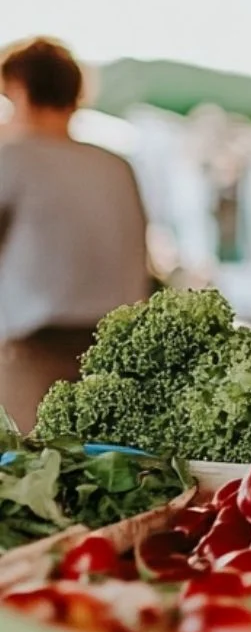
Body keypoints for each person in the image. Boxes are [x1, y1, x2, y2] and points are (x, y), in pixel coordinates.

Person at [0, 38, 148, 431]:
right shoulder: (117, 166)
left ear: (17, 90)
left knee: (32, 477)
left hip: (34, 357)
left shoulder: (12, 158)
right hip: (117, 359)